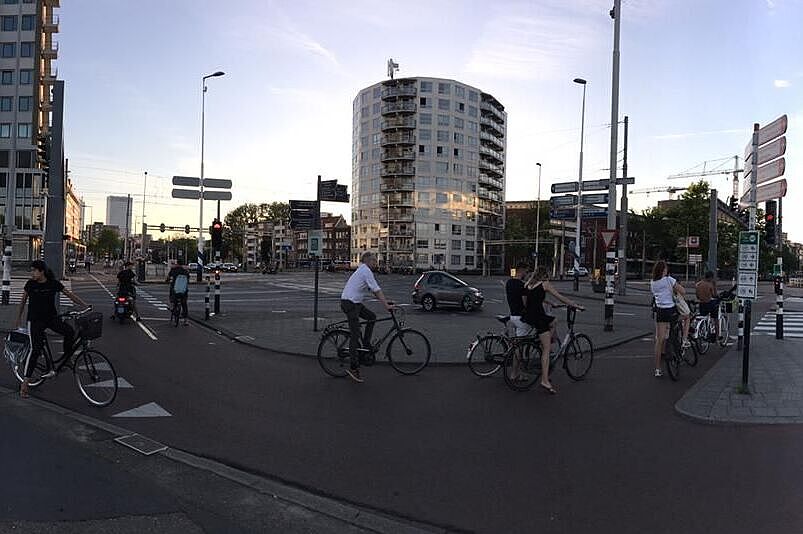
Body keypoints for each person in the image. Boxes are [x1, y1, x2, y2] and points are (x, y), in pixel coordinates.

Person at [14, 260, 89, 398]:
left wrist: (85, 305)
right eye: (32, 271)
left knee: (69, 331)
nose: (32, 273)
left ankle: (67, 358)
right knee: (35, 350)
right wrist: (18, 318)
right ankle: (25, 384)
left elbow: (69, 294)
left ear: (41, 271)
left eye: (34, 270)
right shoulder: (30, 284)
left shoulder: (52, 283)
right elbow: (23, 301)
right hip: (35, 321)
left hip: (51, 319)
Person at [522, 267, 584, 395]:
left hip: (529, 316)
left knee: (554, 321)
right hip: (539, 317)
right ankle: (544, 380)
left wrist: (549, 302)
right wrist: (575, 305)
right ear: (545, 275)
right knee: (546, 349)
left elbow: (531, 299)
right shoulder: (545, 284)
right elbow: (560, 297)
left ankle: (546, 339)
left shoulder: (529, 284)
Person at [340, 251, 394, 383]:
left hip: (355, 303)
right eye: (374, 261)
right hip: (349, 303)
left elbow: (375, 291)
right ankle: (353, 368)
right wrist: (386, 305)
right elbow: (376, 290)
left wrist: (386, 301)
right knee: (355, 333)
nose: (376, 263)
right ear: (368, 261)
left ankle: (365, 344)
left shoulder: (363, 270)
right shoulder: (365, 271)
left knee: (372, 317)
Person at [650, 260, 686, 377]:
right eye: (666, 269)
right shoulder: (669, 280)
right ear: (663, 270)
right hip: (671, 310)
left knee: (659, 340)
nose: (667, 270)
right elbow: (683, 291)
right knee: (684, 318)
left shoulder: (653, 282)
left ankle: (657, 369)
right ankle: (680, 346)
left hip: (660, 312)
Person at [505, 262, 532, 337]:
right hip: (521, 318)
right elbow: (525, 303)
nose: (526, 274)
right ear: (522, 271)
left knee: (517, 341)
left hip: (513, 315)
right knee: (522, 342)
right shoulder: (522, 285)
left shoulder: (509, 283)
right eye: (526, 272)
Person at [695, 271, 719, 342]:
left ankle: (702, 331)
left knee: (703, 317)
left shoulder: (699, 284)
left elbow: (697, 296)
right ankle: (717, 337)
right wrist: (714, 286)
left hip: (701, 304)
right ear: (711, 278)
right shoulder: (710, 284)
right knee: (715, 319)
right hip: (710, 304)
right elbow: (714, 295)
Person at [167, 258, 191, 326]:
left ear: (177, 263)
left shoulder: (173, 269)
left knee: (172, 296)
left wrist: (167, 280)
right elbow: (188, 279)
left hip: (175, 290)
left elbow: (168, 277)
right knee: (184, 304)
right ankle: (186, 320)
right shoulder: (185, 271)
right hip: (183, 291)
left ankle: (172, 306)